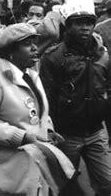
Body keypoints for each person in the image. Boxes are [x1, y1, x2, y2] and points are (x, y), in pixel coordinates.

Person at [0, 23, 61, 195]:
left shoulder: (32, 76)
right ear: (11, 51)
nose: (35, 48)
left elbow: (40, 111)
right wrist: (21, 136)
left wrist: (47, 130)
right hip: (5, 167)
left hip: (32, 162)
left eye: (35, 42)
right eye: (28, 44)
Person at [40, 11, 111, 196]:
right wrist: (50, 130)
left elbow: (108, 90)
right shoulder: (53, 57)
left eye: (89, 23)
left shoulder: (102, 54)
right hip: (66, 134)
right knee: (65, 186)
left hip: (96, 131)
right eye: (79, 23)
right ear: (69, 26)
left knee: (107, 183)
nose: (85, 28)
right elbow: (46, 98)